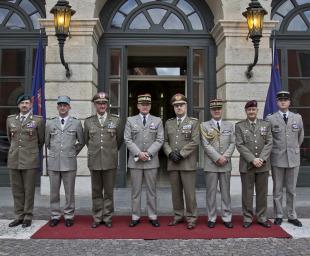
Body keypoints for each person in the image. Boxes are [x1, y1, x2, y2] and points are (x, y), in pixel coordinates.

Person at [124, 93, 164, 227]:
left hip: (151, 161)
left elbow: (160, 139)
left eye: (147, 105)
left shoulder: (157, 120)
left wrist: (148, 153)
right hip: (135, 161)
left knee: (152, 191)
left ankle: (152, 216)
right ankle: (135, 216)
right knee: (136, 191)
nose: (145, 107)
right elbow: (127, 139)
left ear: (150, 106)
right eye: (142, 104)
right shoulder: (130, 120)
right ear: (138, 106)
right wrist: (139, 153)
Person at [84, 92, 123, 228]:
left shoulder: (116, 120)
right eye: (99, 103)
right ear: (95, 105)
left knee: (108, 191)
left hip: (109, 161)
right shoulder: (88, 121)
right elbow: (86, 140)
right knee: (96, 191)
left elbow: (119, 141)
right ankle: (97, 217)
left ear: (107, 105)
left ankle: (107, 217)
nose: (102, 105)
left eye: (104, 103)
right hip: (94, 161)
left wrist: (109, 152)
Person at [266, 91, 304, 227]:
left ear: (289, 102)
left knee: (291, 190)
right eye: (280, 100)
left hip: (293, 158)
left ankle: (292, 215)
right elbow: (268, 138)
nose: (283, 102)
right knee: (277, 189)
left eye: (286, 100)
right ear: (277, 102)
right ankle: (279, 215)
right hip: (277, 158)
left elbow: (300, 136)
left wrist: (293, 149)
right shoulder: (271, 119)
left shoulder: (297, 118)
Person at [6, 94, 45, 228]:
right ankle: (18, 216)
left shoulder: (37, 121)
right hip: (14, 159)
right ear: (18, 106)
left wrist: (30, 151)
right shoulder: (11, 120)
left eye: (27, 103)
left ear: (30, 105)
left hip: (30, 159)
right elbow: (10, 138)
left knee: (29, 190)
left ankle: (28, 215)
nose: (24, 105)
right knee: (16, 190)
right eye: (22, 103)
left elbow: (40, 140)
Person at [45, 96, 84, 227]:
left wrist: (72, 152)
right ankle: (55, 215)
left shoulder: (76, 123)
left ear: (69, 107)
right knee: (54, 192)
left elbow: (81, 141)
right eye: (60, 105)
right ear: (57, 107)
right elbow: (47, 142)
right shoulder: (50, 123)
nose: (62, 107)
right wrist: (57, 153)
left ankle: (69, 215)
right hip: (54, 163)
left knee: (69, 192)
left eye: (65, 105)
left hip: (69, 162)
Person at [163, 93, 199, 229]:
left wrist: (182, 154)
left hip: (187, 163)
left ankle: (191, 217)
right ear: (173, 108)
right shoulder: (169, 122)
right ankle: (178, 215)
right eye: (176, 106)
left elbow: (195, 141)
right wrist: (170, 153)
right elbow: (165, 141)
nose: (179, 108)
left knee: (189, 194)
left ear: (186, 106)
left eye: (181, 105)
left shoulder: (193, 122)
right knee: (176, 193)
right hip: (173, 162)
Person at [235, 100, 273, 228]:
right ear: (246, 111)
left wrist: (261, 159)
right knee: (247, 193)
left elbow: (269, 143)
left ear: (257, 110)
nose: (251, 112)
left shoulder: (266, 124)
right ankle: (247, 217)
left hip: (263, 165)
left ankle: (262, 217)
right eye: (249, 110)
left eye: (253, 109)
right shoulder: (239, 126)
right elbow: (239, 145)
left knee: (262, 193)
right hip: (247, 165)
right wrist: (252, 159)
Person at [200, 99, 235, 228]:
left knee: (226, 192)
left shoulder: (229, 125)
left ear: (222, 110)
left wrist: (224, 157)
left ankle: (226, 217)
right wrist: (217, 158)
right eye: (214, 109)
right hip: (211, 164)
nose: (216, 111)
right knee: (211, 192)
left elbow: (232, 143)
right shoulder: (204, 125)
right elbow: (205, 144)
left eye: (219, 109)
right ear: (210, 111)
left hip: (225, 163)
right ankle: (212, 217)